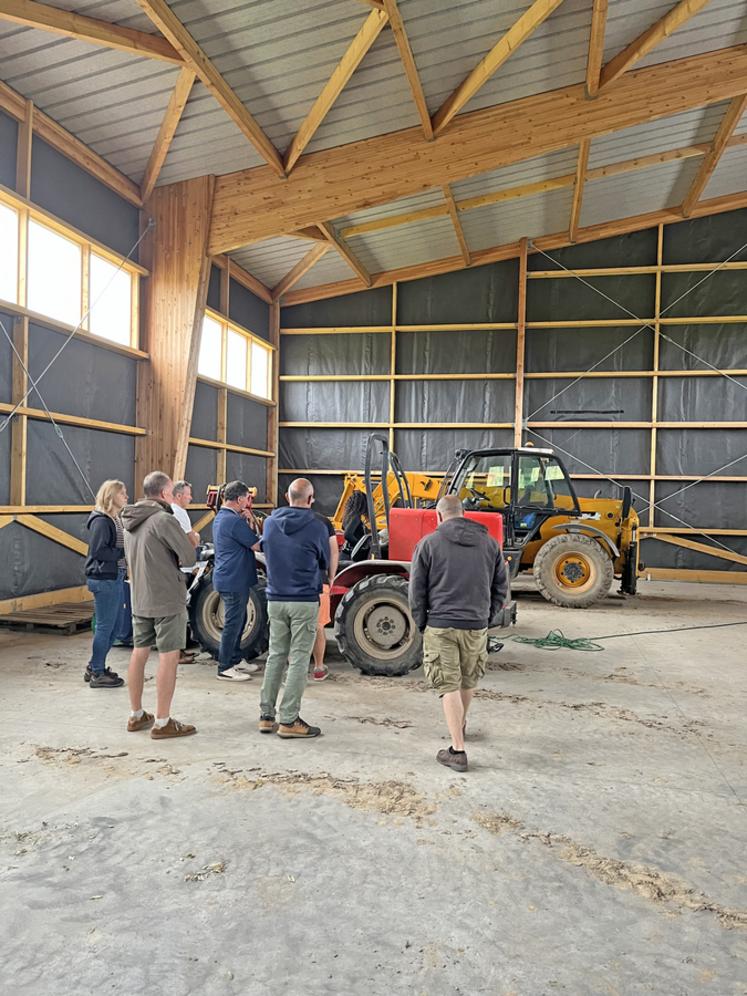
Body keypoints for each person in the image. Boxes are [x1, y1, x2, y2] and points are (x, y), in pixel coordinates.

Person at [409, 494, 508, 773]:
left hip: (441, 624)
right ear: (463, 514)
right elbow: (501, 587)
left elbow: (416, 591)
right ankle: (459, 726)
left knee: (447, 683)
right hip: (476, 624)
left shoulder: (428, 544)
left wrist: (421, 623)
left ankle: (458, 750)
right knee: (467, 678)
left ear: (439, 516)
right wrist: (486, 617)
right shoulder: (490, 544)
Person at [122, 471, 197, 739]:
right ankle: (163, 721)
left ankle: (136, 714)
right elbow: (188, 556)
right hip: (166, 596)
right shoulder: (164, 519)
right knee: (168, 655)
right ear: (166, 493)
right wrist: (193, 540)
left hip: (140, 595)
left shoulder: (130, 519)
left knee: (139, 652)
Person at [258, 478, 329, 739]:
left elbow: (266, 550)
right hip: (304, 599)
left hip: (275, 598)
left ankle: (267, 716)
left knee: (276, 654)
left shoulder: (270, 522)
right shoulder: (317, 525)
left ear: (287, 497)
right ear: (311, 499)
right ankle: (289, 719)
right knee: (299, 658)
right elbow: (323, 560)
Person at [212, 480, 261, 683]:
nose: (248, 502)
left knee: (239, 621)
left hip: (232, 578)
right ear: (240, 499)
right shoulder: (232, 521)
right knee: (233, 624)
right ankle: (225, 667)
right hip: (233, 579)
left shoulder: (224, 517)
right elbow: (256, 545)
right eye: (247, 498)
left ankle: (235, 658)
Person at [84, 479, 129, 688]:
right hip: (105, 579)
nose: (126, 497)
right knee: (105, 627)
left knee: (116, 627)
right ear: (111, 497)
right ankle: (97, 672)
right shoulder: (101, 521)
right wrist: (124, 552)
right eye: (123, 494)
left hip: (115, 576)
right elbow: (98, 551)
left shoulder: (115, 518)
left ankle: (95, 665)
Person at [170, 480, 200, 665]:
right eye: (188, 494)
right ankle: (177, 653)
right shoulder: (179, 513)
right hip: (181, 570)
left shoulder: (174, 511)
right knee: (178, 611)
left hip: (180, 567)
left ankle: (178, 649)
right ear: (179, 495)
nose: (191, 497)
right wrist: (195, 537)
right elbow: (193, 541)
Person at [310, 511, 339, 681]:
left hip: (291, 585)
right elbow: (334, 551)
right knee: (318, 626)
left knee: (293, 627)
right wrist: (332, 576)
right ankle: (319, 668)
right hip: (319, 582)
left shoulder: (278, 519)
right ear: (311, 498)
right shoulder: (323, 521)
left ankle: (292, 669)